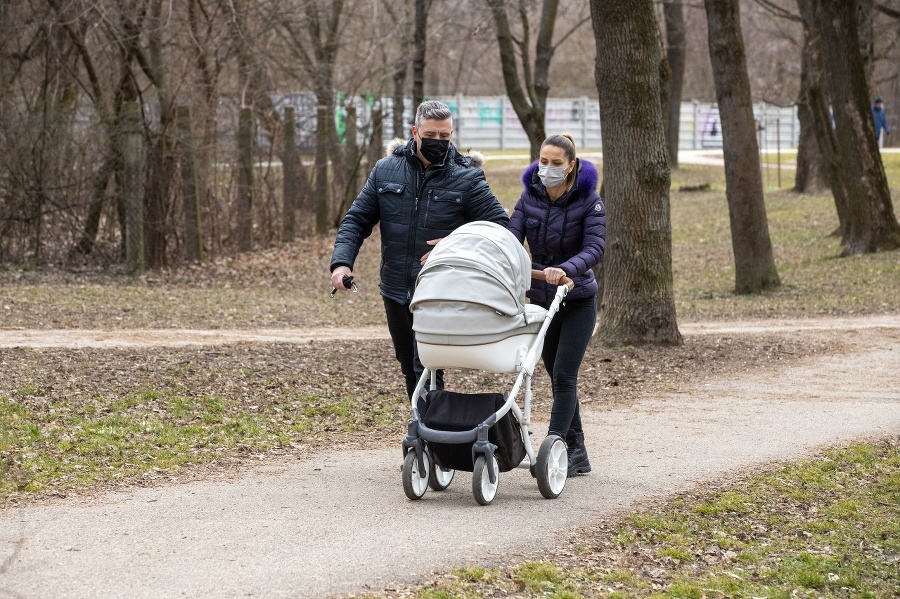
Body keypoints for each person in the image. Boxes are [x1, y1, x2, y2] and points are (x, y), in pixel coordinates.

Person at [330, 100, 509, 399]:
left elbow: (501, 229)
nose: (438, 142)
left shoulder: (468, 177)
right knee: (408, 364)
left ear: (452, 134)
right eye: (431, 135)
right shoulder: (385, 170)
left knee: (427, 364)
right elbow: (356, 220)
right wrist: (341, 263)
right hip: (395, 288)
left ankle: (430, 434)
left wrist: (456, 244)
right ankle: (422, 428)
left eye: (445, 136)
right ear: (415, 132)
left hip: (439, 290)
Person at [508, 133, 605, 477]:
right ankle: (577, 451)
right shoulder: (528, 198)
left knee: (564, 374)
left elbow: (595, 248)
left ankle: (555, 444)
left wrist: (565, 269)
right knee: (554, 371)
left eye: (556, 163)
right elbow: (510, 239)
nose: (547, 169)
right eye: (543, 162)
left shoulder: (589, 202)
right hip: (542, 303)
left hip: (577, 301)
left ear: (571, 166)